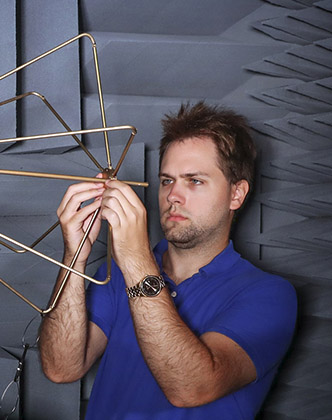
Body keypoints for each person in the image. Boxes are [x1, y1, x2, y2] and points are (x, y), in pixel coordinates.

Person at [38, 102, 297, 419]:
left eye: (195, 181)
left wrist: (135, 257)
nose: (174, 195)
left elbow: (191, 388)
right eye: (166, 180)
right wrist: (74, 256)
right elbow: (61, 368)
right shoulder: (117, 272)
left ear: (236, 194)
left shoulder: (269, 295)